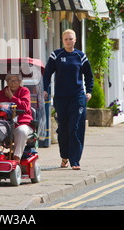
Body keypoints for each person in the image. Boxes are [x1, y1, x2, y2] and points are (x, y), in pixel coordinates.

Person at [43, 29, 94, 170]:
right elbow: (47, 74)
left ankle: (75, 160)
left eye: (71, 39)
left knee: (76, 127)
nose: (68, 41)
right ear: (62, 40)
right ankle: (64, 156)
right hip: (60, 98)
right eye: (66, 39)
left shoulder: (80, 56)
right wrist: (45, 89)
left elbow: (89, 75)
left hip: (77, 97)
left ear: (75, 40)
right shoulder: (56, 55)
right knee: (63, 129)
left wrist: (88, 91)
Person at [0, 72, 34, 162]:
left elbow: (25, 107)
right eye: (10, 80)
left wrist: (12, 97)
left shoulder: (24, 91)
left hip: (22, 123)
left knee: (21, 131)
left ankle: (17, 157)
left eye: (15, 81)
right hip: (5, 124)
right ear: (6, 81)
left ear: (20, 81)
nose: (13, 83)